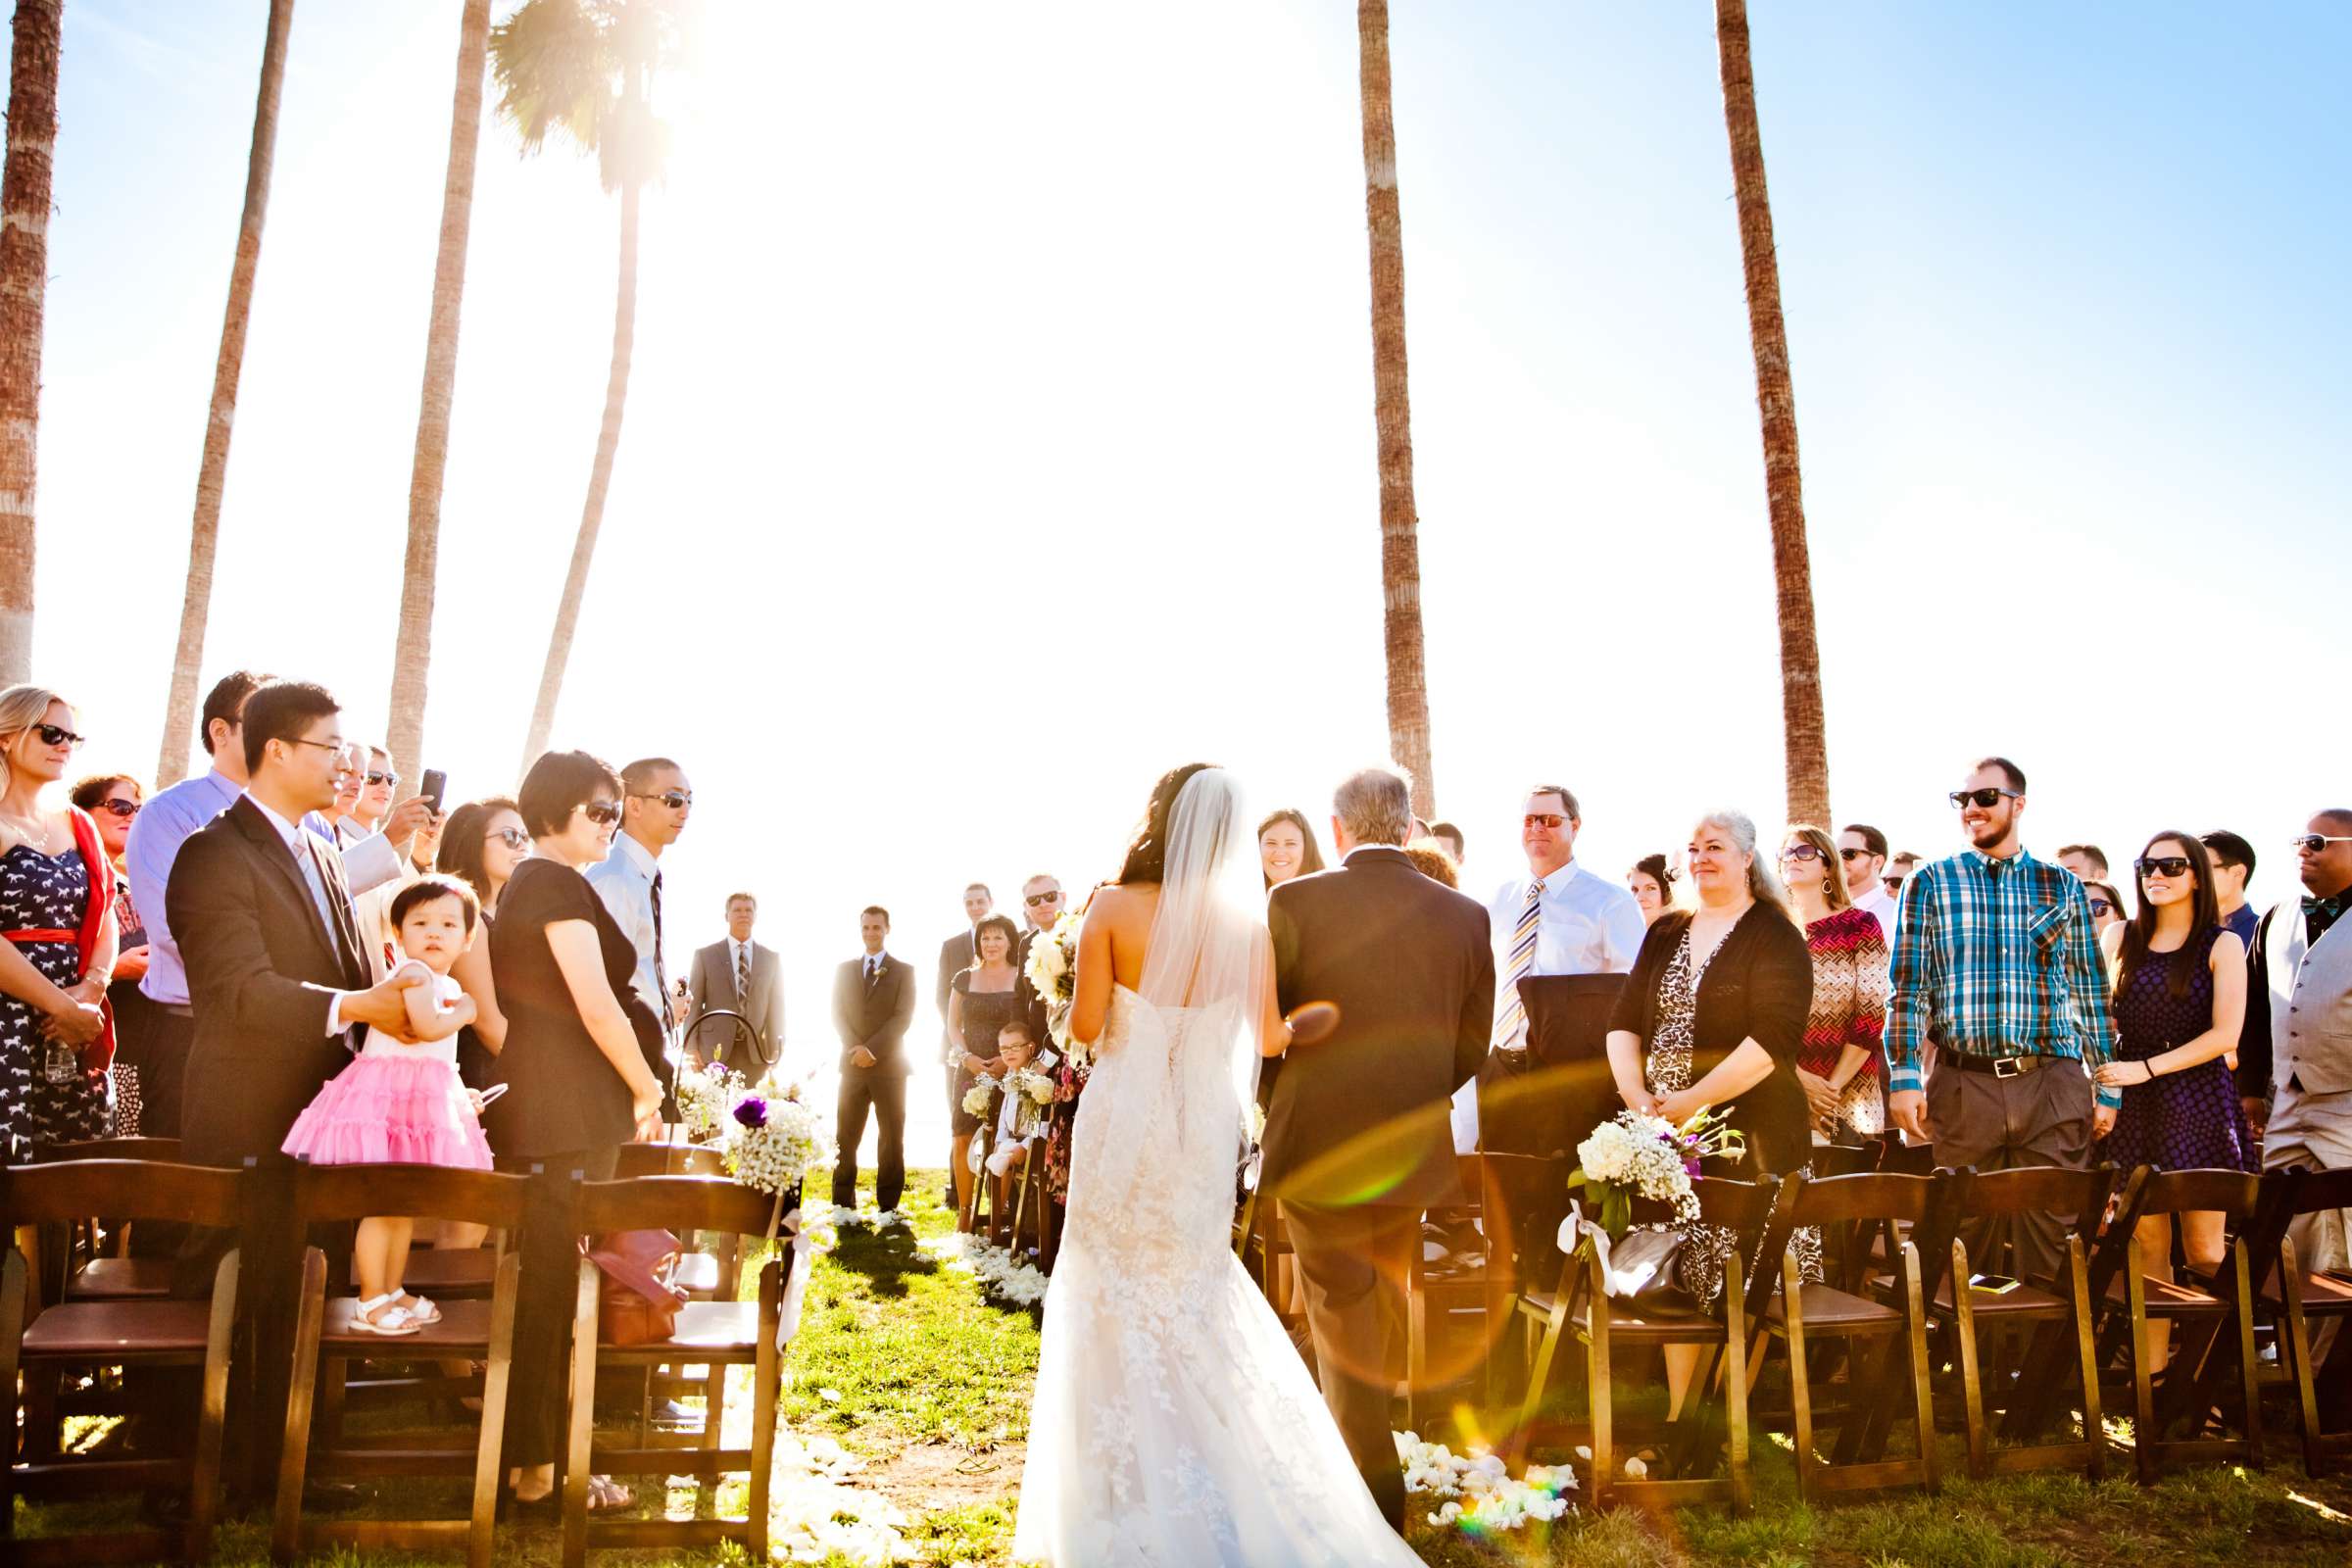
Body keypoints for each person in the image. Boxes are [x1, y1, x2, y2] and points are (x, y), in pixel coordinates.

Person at [1016, 762, 1420, 1564]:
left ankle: (1120, 1488)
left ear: (1158, 817)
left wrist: (1073, 981)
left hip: (1124, 1121)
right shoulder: (1248, 926)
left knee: (1107, 1286)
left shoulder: (1110, 908)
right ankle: (1221, 1473)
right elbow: (1271, 1038)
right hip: (1202, 1127)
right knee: (1194, 1289)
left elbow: (1088, 1028)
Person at [485, 748, 666, 1517]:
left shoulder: (542, 881)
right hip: (565, 1118)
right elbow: (596, 1004)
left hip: (558, 1114)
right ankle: (540, 1467)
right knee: (554, 1294)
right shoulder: (554, 882)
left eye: (614, 810)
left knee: (553, 1289)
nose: (611, 822)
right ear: (552, 811)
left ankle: (540, 1460)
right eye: (598, 810)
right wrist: (645, 1083)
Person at [127, 671, 421, 1137]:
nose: (347, 767)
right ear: (278, 750)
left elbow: (338, 966)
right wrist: (358, 1005)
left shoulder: (324, 848)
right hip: (249, 1111)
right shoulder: (213, 851)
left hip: (325, 1107)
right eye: (331, 749)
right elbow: (238, 988)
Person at [1608, 809, 1818, 1426]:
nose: (1701, 858)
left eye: (1716, 847)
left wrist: (1695, 1098)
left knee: (1742, 1278)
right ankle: (1681, 1418)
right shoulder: (1666, 930)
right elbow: (1623, 1020)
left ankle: (1727, 1420)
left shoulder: (1776, 935)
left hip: (1752, 1138)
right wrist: (1636, 1098)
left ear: (1747, 858)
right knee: (1677, 1278)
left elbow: (1772, 1040)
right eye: (1694, 848)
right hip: (1667, 1138)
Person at [1886, 759, 2118, 1284]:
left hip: (2052, 1081)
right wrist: (1903, 1076)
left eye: (1986, 797)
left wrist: (2107, 1086)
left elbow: (2089, 992)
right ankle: (1971, 1366)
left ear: (2018, 803)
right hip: (1964, 1083)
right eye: (1962, 800)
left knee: (2057, 1238)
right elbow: (1908, 986)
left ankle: (2045, 1365)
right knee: (1963, 1235)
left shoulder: (2062, 885)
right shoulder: (1930, 882)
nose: (1972, 808)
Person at [280, 876, 494, 1334]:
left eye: (448, 924)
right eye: (420, 922)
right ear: (398, 934)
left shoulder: (443, 980)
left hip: (415, 1106)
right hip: (387, 1105)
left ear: (468, 937)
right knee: (383, 1203)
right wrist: (469, 1011)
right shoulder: (413, 975)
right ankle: (371, 1298)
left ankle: (393, 1287)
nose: (434, 932)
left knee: (403, 1202)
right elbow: (427, 1026)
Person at [2089, 834, 2251, 1373]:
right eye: (2146, 865)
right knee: (2147, 1245)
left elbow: (2227, 1035)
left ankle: (2210, 1380)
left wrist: (2147, 1069)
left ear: (2198, 876)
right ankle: (2154, 1378)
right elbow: (2097, 1020)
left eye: (2170, 865)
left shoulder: (2221, 944)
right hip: (2132, 1107)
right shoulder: (2119, 936)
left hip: (2198, 1101)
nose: (2154, 874)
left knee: (2205, 1248)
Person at [1468, 783, 1644, 1154]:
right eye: (1530, 820)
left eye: (1550, 820)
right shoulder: (1498, 899)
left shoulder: (1609, 902)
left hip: (1566, 1075)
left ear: (1575, 826)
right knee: (1499, 1193)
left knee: (1559, 1198)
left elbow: (1633, 994)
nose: (1538, 829)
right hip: (1500, 1068)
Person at [2236, 812, 2352, 1322]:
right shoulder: (2276, 917)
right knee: (2287, 1230)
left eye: (2318, 842)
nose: (2303, 850)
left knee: (2348, 1230)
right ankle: (2301, 1365)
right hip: (2287, 1101)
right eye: (2299, 841)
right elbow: (2257, 1011)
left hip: (2347, 1101)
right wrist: (2250, 1089)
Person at [0, 687, 118, 1157]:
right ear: (7, 737)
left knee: (71, 1180)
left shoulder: (78, 823)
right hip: (10, 1018)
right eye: (51, 733)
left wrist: (91, 990)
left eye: (73, 736)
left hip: (72, 1021)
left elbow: (104, 908)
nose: (65, 744)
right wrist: (60, 1007)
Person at [585, 757, 691, 1118]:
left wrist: (664, 1007)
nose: (685, 810)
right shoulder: (614, 879)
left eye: (690, 800)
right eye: (674, 799)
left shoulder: (642, 876)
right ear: (634, 805)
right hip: (622, 1063)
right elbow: (602, 986)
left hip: (649, 1047)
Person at [1781, 823, 1888, 1145]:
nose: (1792, 859)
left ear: (1828, 865)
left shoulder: (1860, 925)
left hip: (1852, 1096)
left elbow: (1872, 1015)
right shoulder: (1774, 931)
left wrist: (1829, 1092)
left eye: (1804, 851)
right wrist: (1799, 1082)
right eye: (1786, 853)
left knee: (1848, 1193)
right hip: (1783, 1090)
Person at [70, 771, 150, 1134]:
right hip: (80, 1051)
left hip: (137, 1049)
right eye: (119, 806)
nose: (131, 816)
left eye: (138, 808)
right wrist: (116, 969)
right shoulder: (70, 880)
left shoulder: (134, 886)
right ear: (84, 813)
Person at [432, 796, 526, 1092]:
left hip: (509, 1069)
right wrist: (543, 1075)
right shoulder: (463, 918)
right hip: (483, 1080)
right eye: (511, 837)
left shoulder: (510, 917)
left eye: (526, 837)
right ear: (474, 843)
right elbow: (486, 1023)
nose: (523, 846)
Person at [831, 905, 915, 1215]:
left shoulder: (904, 971)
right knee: (845, 1135)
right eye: (866, 927)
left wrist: (873, 1050)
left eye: (876, 928)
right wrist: (856, 1047)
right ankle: (842, 1200)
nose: (871, 933)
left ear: (887, 929)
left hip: (890, 1066)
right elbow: (837, 1013)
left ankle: (888, 1205)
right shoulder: (844, 970)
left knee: (891, 1136)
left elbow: (902, 1017)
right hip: (851, 1065)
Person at [948, 913, 1023, 1226]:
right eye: (985, 938)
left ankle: (997, 1214)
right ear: (978, 943)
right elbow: (952, 1024)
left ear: (1009, 942)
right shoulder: (963, 978)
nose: (991, 944)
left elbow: (1026, 1025)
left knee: (1003, 1141)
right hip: (969, 1068)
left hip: (1009, 1070)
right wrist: (966, 1057)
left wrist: (1007, 1060)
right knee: (962, 1138)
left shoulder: (1021, 977)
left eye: (998, 938)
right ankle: (965, 1214)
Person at [936, 882, 993, 1201]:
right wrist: (961, 1041)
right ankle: (958, 1192)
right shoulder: (951, 946)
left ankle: (998, 1192)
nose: (975, 907)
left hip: (998, 1048)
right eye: (969, 902)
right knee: (959, 1121)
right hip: (957, 1048)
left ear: (990, 902)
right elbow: (941, 997)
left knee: (997, 1122)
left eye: (979, 901)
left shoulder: (1005, 940)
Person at [687, 892, 784, 1071]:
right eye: (737, 910)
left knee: (753, 1101)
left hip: (756, 1054)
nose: (743, 914)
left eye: (748, 910)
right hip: (713, 1052)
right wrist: (691, 1048)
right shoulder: (705, 956)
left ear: (755, 916)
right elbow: (693, 1005)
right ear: (727, 916)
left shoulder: (771, 959)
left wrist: (776, 1050)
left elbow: (776, 1009)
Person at [2201, 829, 2262, 950]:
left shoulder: (2265, 935)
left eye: (2203, 868)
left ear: (2238, 873)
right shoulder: (2177, 935)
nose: (2195, 878)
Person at [1840, 822, 1900, 940]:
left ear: (1877, 862)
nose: (1840, 860)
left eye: (1849, 853)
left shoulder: (1896, 917)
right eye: (1835, 854)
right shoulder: (1824, 911)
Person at [1626, 853, 1675, 926]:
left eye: (1650, 888)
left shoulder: (1687, 934)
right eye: (1635, 890)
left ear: (1668, 892)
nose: (1639, 898)